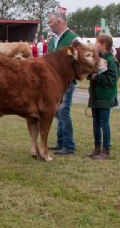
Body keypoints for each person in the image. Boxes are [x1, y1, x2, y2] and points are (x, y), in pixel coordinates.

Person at [47, 12, 80, 155]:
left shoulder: (74, 40)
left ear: (59, 22)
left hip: (66, 82)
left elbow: (79, 61)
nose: (49, 25)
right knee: (57, 112)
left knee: (63, 111)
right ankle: (61, 142)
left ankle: (68, 145)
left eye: (50, 22)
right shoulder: (53, 39)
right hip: (54, 83)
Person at [87, 34, 119, 160]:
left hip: (105, 97)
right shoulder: (97, 58)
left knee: (104, 124)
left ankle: (106, 150)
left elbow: (112, 79)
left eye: (97, 43)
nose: (95, 45)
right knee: (95, 124)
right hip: (95, 96)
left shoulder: (111, 60)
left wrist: (96, 77)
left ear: (104, 45)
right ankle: (97, 148)